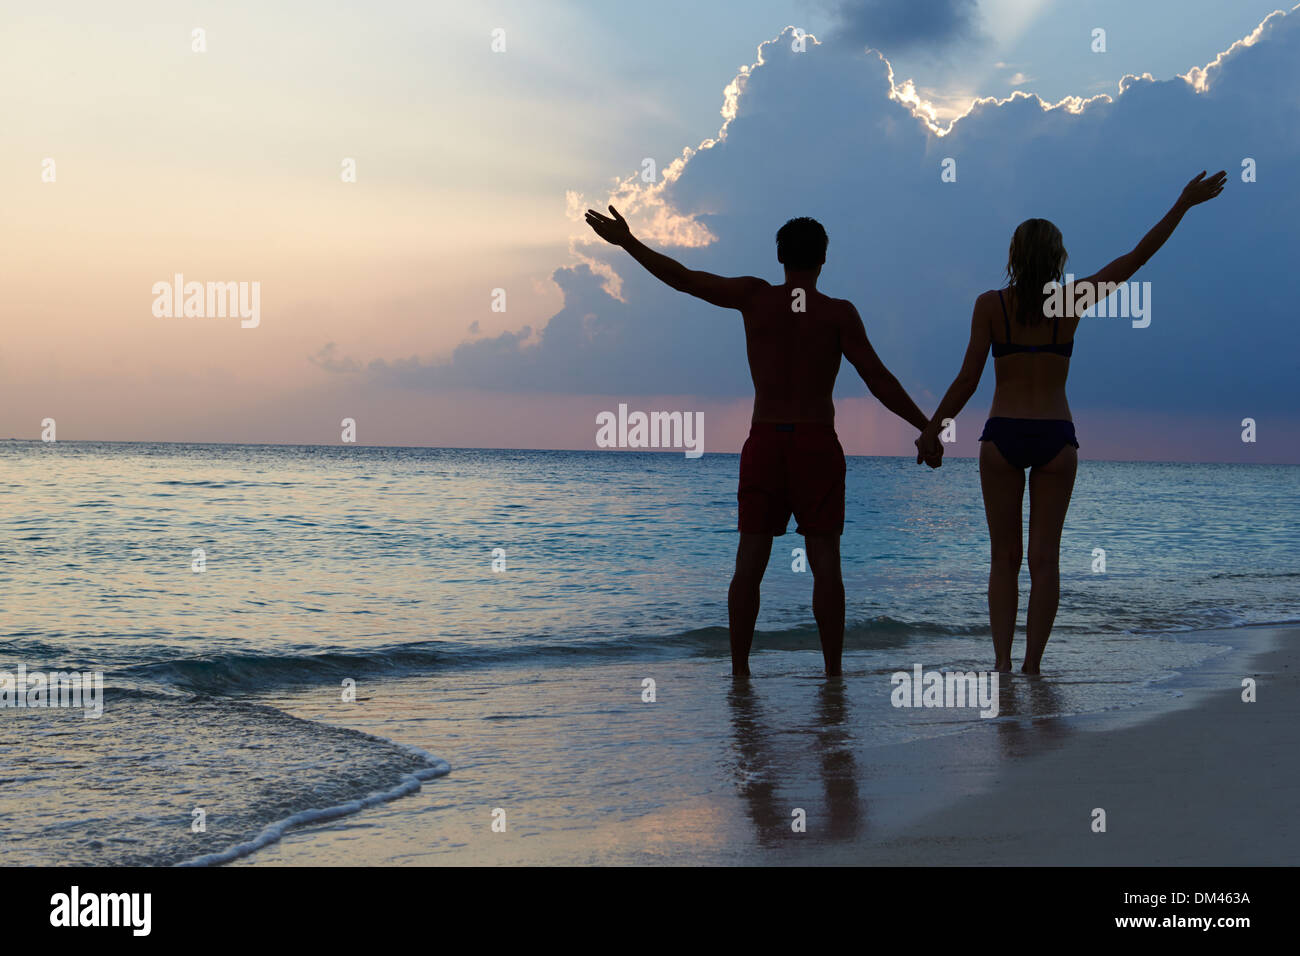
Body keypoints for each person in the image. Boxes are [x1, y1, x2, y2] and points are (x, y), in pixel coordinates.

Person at [585, 207, 941, 677]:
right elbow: (877, 378)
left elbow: (685, 279)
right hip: (816, 444)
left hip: (766, 442)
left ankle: (739, 674)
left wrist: (629, 243)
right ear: (823, 260)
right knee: (825, 565)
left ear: (779, 257)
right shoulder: (837, 314)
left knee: (749, 564)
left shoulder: (755, 297)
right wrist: (925, 426)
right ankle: (832, 673)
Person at [920, 170, 1228, 674]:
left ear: (1014, 257)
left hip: (1002, 436)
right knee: (1045, 560)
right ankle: (1032, 667)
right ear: (1058, 258)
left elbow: (967, 381)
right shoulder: (1071, 302)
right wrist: (1183, 204)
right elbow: (1136, 259)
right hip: (1056, 439)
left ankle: (1000, 665)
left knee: (1004, 559)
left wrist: (934, 429)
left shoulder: (990, 306)